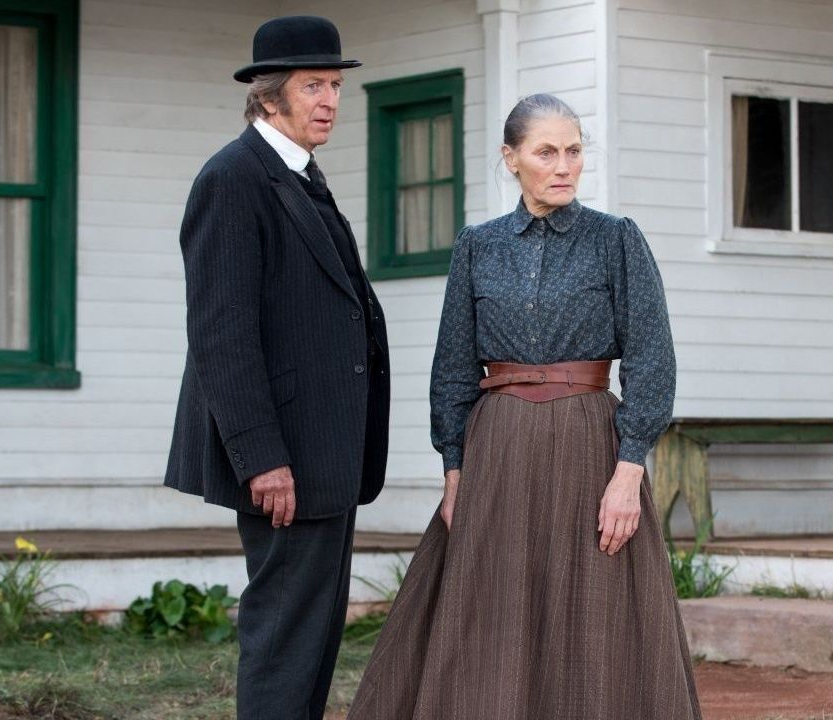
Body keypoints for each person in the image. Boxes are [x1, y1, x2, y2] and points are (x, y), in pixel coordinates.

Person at [348, 93, 701, 719]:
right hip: (499, 448)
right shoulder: (477, 247)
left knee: (592, 605)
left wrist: (629, 470)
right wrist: (454, 471)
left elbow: (653, 357)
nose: (564, 165)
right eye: (547, 152)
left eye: (574, 150)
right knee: (495, 605)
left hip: (593, 444)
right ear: (511, 159)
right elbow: (453, 367)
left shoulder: (615, 240)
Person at [162, 15, 390, 720]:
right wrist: (261, 459)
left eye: (335, 84)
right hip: (284, 457)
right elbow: (221, 334)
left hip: (325, 451)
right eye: (312, 85)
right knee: (285, 634)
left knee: (313, 634)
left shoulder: (298, 173)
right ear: (268, 96)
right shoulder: (234, 179)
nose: (330, 99)